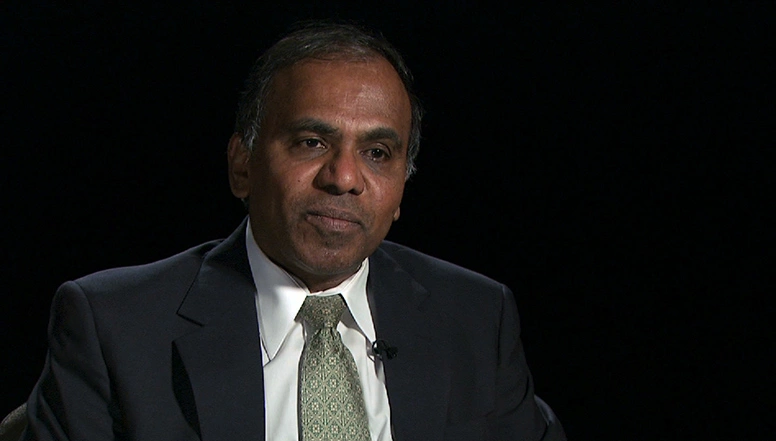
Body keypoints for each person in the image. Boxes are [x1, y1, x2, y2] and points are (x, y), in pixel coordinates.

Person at [20, 21, 566, 441]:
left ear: (402, 187)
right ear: (242, 165)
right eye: (311, 142)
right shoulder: (114, 327)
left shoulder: (477, 318)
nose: (344, 178)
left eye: (377, 153)